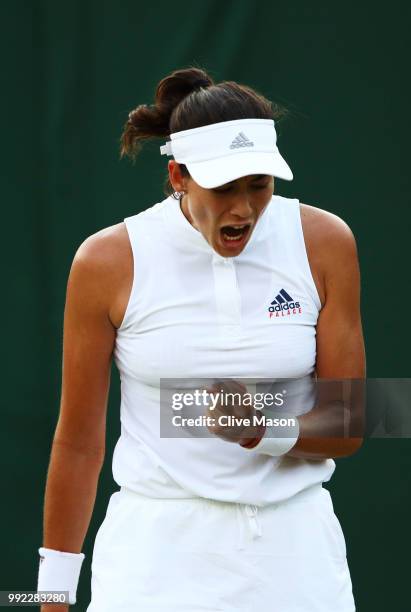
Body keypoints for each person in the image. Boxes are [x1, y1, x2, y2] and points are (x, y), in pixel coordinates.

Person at [37, 66, 366, 611]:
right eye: (223, 187)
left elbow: (351, 422)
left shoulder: (326, 242)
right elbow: (78, 441)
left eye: (258, 185)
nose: (243, 208)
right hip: (150, 564)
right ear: (178, 177)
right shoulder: (105, 261)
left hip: (297, 561)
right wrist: (51, 595)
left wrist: (263, 430)